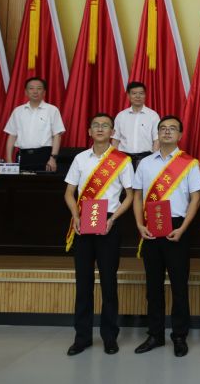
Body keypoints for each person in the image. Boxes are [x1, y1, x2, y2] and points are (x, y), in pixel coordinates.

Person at [132, 115, 200, 357]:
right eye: (163, 128)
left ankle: (179, 336)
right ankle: (155, 334)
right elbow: (137, 196)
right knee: (153, 286)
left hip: (177, 228)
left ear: (180, 135)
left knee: (179, 286)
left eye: (172, 129)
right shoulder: (145, 163)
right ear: (158, 133)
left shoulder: (189, 163)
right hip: (150, 228)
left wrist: (183, 228)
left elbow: (196, 198)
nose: (167, 132)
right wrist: (139, 225)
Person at [63, 113, 134, 356]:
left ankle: (109, 337)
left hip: (108, 223)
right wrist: (75, 216)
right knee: (83, 283)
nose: (100, 128)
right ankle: (81, 337)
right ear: (89, 131)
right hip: (83, 222)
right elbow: (69, 192)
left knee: (108, 283)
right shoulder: (80, 158)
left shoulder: (121, 160)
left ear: (112, 132)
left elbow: (130, 195)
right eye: (96, 125)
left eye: (105, 126)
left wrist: (113, 219)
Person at [4, 76, 65, 171]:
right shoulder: (18, 111)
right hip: (23, 156)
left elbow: (57, 135)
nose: (35, 91)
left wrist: (53, 158)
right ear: (26, 92)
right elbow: (12, 136)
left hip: (44, 156)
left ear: (44, 92)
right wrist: (9, 159)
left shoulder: (52, 110)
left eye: (39, 88)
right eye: (31, 88)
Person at [112, 81, 160, 169]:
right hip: (123, 159)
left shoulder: (153, 115)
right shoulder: (121, 116)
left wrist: (153, 159)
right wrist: (115, 159)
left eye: (141, 93)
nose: (138, 96)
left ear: (145, 95)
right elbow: (115, 140)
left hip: (145, 158)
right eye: (134, 93)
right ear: (128, 95)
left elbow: (156, 140)